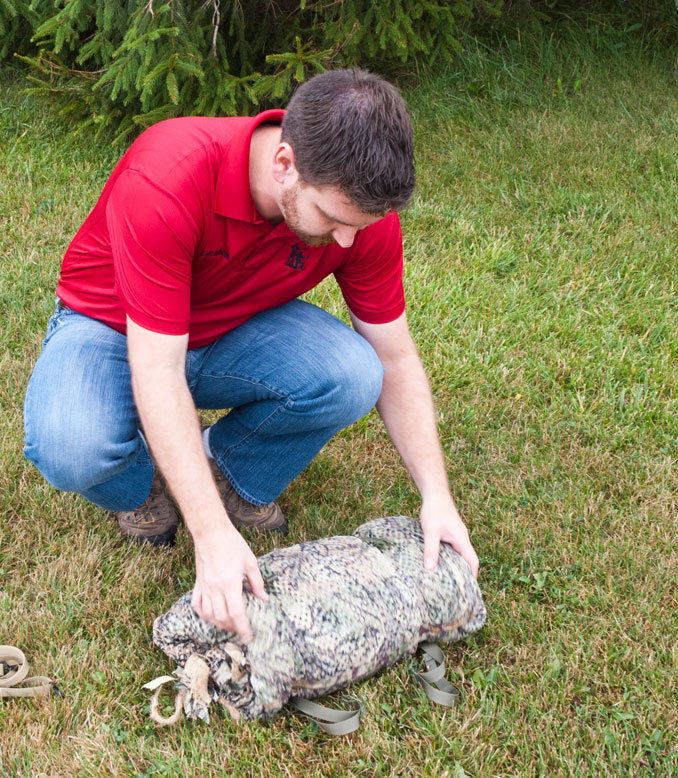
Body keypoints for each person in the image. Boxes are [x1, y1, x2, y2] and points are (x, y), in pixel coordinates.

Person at [23, 68, 479, 645]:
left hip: (232, 327)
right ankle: (140, 487)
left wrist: (437, 497)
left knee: (356, 373)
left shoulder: (360, 220)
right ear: (284, 163)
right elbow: (157, 369)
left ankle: (225, 469)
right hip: (112, 327)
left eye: (358, 226)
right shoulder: (169, 175)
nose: (346, 240)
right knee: (71, 446)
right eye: (333, 219)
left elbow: (396, 358)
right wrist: (211, 536)